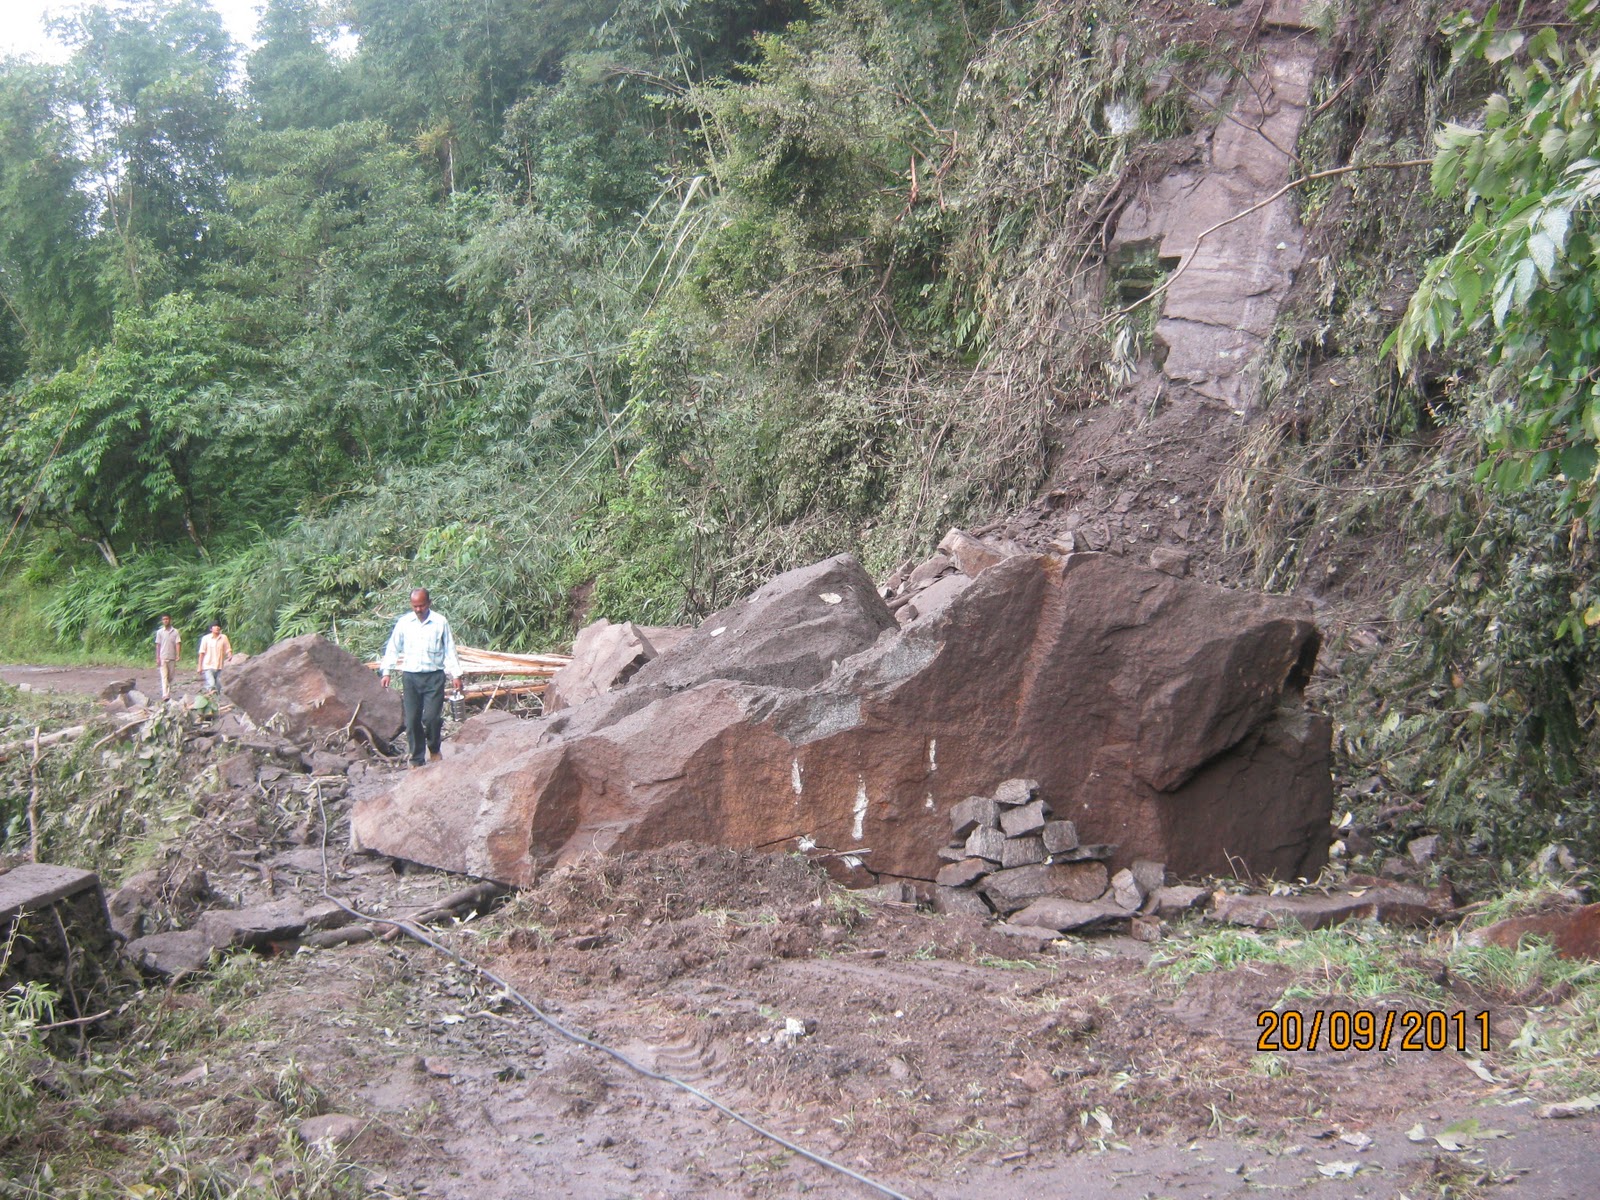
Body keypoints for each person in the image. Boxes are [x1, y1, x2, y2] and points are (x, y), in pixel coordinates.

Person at [379, 588, 463, 767]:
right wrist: (386, 671)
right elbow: (393, 648)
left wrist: (456, 674)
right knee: (411, 719)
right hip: (411, 678)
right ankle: (417, 758)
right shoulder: (404, 623)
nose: (418, 609)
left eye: (422, 605)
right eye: (415, 606)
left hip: (434, 677)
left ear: (429, 603)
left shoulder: (440, 622)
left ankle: (434, 748)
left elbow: (449, 649)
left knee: (431, 718)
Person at [197, 622, 233, 694]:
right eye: (215, 626)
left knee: (218, 686)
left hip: (219, 666)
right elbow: (202, 653)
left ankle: (215, 701)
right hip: (208, 665)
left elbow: (228, 648)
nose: (217, 627)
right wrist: (199, 666)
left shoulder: (224, 637)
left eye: (218, 626)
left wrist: (229, 654)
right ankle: (206, 693)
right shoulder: (206, 638)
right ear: (211, 629)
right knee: (211, 684)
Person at [154, 614, 181, 701]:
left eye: (167, 619)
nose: (165, 621)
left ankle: (167, 692)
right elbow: (158, 645)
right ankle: (165, 694)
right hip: (163, 657)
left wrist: (178, 655)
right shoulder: (160, 632)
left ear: (170, 620)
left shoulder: (175, 632)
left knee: (171, 676)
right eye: (163, 619)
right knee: (164, 676)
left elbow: (178, 643)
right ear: (162, 621)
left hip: (172, 657)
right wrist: (157, 657)